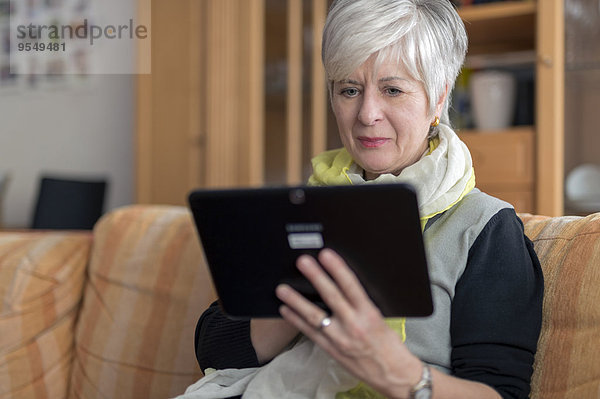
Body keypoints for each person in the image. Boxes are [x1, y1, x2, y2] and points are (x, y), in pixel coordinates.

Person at [186, 1, 543, 398]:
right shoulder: (300, 209)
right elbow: (213, 347)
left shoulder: (485, 228)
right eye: (350, 90)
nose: (367, 113)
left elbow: (501, 393)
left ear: (438, 98)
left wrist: (400, 373)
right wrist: (302, 303)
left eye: (393, 89)